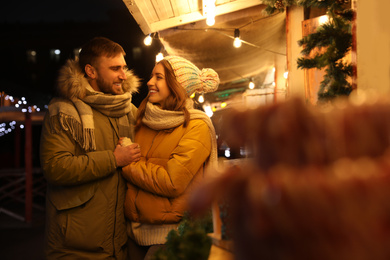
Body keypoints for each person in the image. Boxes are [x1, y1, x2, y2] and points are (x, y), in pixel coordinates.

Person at [40, 37, 142, 259]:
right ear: (91, 71)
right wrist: (113, 159)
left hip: (119, 244)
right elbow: (55, 167)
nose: (123, 75)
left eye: (124, 68)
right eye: (115, 68)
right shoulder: (64, 111)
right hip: (74, 248)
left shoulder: (128, 110)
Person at [120, 56, 220, 259]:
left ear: (176, 86)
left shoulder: (196, 126)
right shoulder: (146, 118)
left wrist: (128, 162)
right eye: (151, 76)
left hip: (171, 236)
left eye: (159, 77)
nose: (149, 82)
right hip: (134, 233)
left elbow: (172, 181)